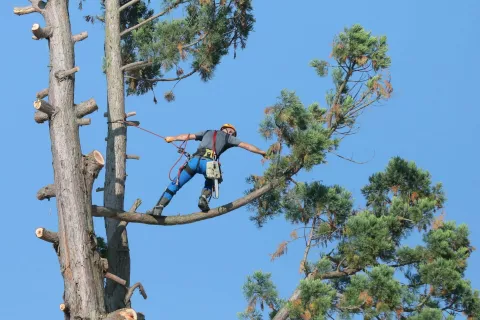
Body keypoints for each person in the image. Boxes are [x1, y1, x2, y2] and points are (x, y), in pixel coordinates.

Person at [147, 124, 267, 216]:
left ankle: (159, 207)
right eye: (231, 132)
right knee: (213, 178)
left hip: (194, 161)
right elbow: (246, 145)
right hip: (209, 163)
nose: (230, 133)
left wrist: (172, 138)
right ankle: (203, 198)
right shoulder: (228, 138)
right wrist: (262, 152)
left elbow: (187, 136)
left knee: (176, 183)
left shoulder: (207, 132)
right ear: (227, 131)